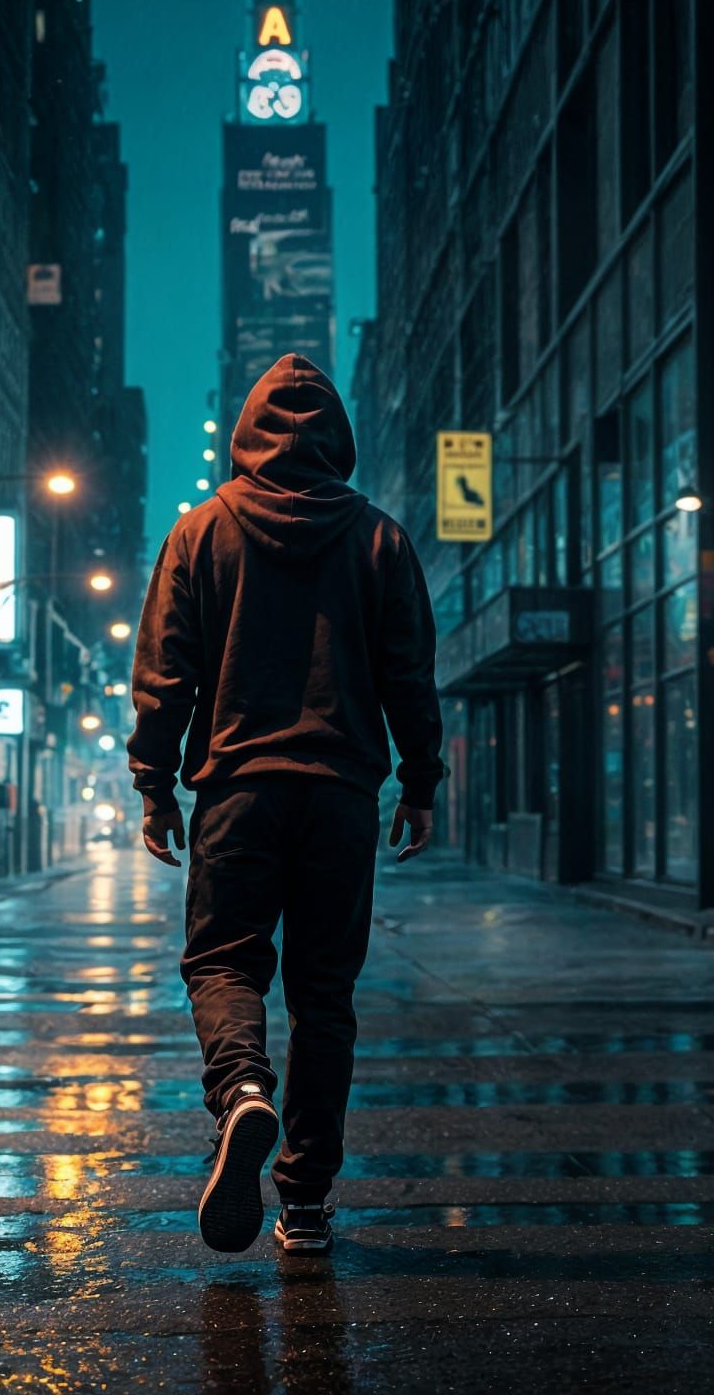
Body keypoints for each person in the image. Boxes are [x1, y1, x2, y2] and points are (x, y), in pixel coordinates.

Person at [128, 353, 443, 1255]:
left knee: (223, 963)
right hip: (340, 793)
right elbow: (407, 675)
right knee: (325, 997)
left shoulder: (199, 533)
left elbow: (165, 675)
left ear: (245, 434)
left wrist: (156, 786)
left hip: (236, 791)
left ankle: (243, 1094)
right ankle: (304, 1201)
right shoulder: (379, 538)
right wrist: (420, 782)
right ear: (339, 438)